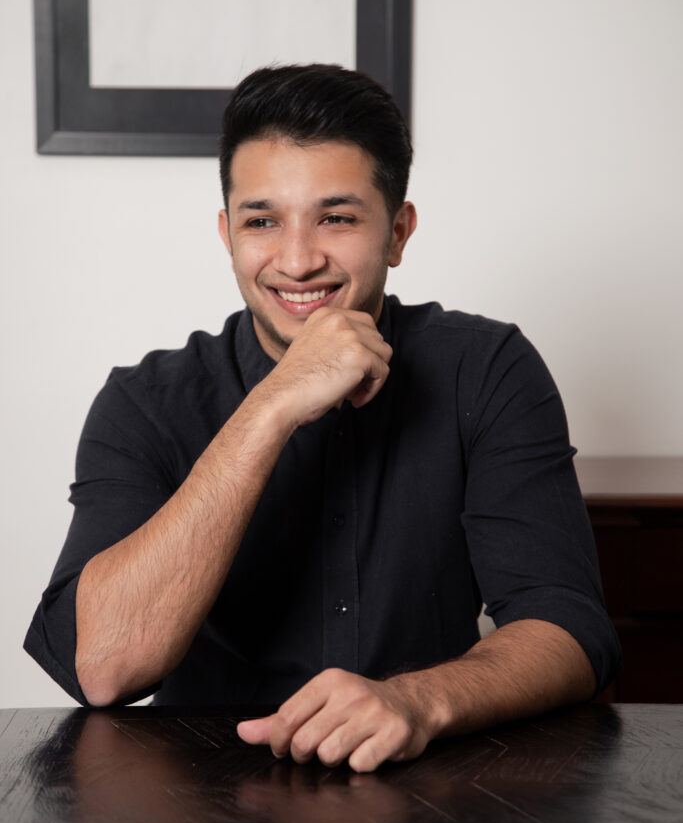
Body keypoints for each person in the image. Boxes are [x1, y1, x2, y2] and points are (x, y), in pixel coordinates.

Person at [25, 64, 620, 773]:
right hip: (197, 797)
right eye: (262, 221)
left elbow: (569, 629)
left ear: (397, 233)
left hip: (429, 782)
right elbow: (102, 667)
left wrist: (416, 701)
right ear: (227, 235)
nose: (299, 260)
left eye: (336, 218)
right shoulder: (145, 401)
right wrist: (274, 405)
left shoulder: (486, 369)